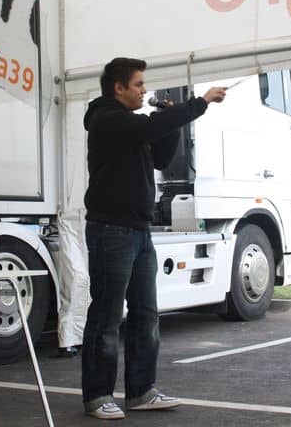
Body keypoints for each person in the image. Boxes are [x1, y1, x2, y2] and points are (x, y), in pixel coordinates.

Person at [81, 57, 227, 420]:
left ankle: (141, 391)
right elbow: (151, 127)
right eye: (139, 85)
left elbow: (162, 157)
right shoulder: (107, 120)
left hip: (139, 231)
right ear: (118, 88)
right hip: (111, 231)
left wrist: (171, 122)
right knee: (106, 316)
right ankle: (97, 396)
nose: (144, 91)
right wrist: (200, 102)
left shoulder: (133, 126)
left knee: (146, 313)